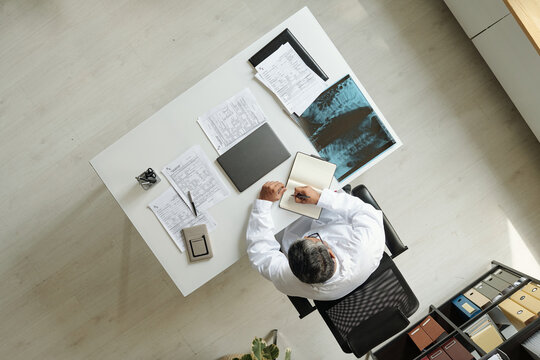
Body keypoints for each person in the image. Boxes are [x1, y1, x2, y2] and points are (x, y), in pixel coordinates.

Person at [246, 181, 386, 301]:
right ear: (331, 253)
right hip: (333, 213)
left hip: (291, 228)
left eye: (308, 238)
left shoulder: (291, 280)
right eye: (312, 239)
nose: (308, 236)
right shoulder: (367, 244)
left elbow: (261, 254)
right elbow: (363, 211)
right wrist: (321, 198)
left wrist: (263, 203)